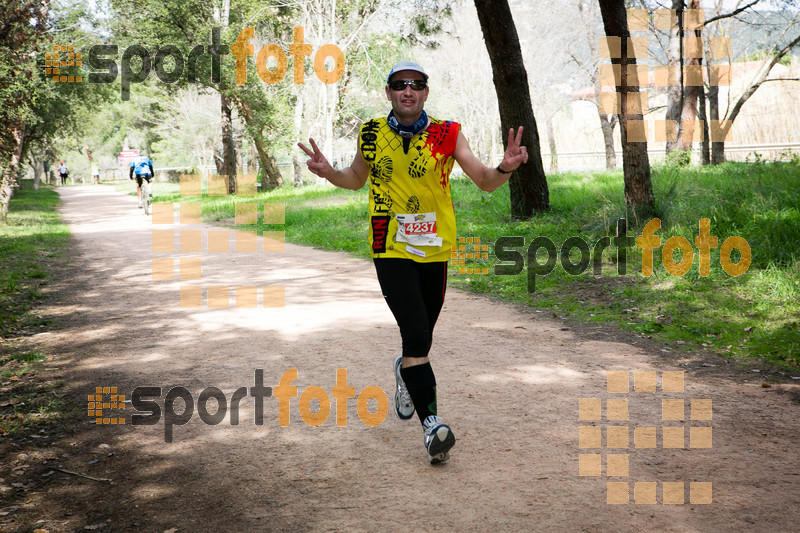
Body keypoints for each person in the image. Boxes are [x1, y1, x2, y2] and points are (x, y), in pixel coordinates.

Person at [298, 61, 528, 465]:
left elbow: (485, 181)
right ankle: (432, 427)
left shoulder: (447, 133)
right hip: (390, 244)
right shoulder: (370, 132)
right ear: (388, 92)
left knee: (420, 338)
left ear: (426, 93)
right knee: (417, 334)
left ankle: (406, 371)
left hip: (434, 248)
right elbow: (355, 178)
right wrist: (328, 173)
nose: (409, 90)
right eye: (400, 85)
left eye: (417, 85)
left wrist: (505, 167)